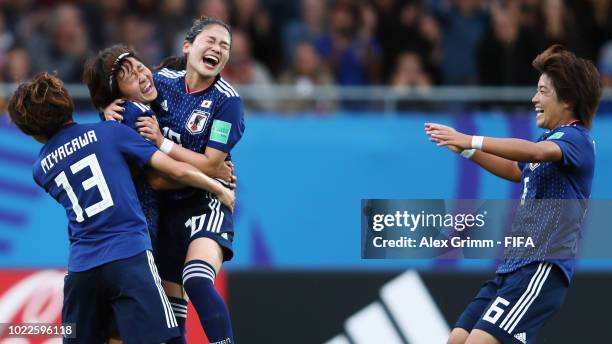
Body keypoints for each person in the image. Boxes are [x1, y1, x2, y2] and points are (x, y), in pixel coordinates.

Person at [7, 72, 235, 343]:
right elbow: (176, 171)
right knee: (166, 339)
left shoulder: (40, 169)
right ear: (66, 102)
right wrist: (218, 187)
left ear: (32, 131)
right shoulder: (110, 133)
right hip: (130, 258)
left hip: (82, 270)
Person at [425, 44, 601, 344]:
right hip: (511, 267)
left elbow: (533, 152)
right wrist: (466, 149)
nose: (535, 98)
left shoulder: (576, 139)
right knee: (456, 339)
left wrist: (472, 138)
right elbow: (515, 170)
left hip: (540, 269)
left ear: (568, 99)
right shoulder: (553, 140)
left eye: (543, 91)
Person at [104, 17, 244, 344]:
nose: (217, 49)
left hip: (206, 202)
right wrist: (107, 107)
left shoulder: (227, 102)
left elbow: (211, 163)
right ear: (188, 46)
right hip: (167, 209)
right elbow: (124, 84)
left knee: (196, 279)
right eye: (210, 40)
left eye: (225, 46)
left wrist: (162, 143)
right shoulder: (161, 80)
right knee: (171, 309)